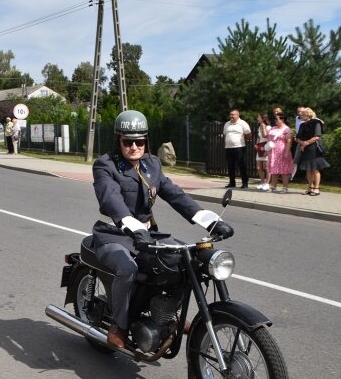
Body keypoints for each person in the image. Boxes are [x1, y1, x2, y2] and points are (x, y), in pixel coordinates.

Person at [92, 110, 234, 350]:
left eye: (140, 141)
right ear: (118, 140)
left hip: (146, 236)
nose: (134, 146)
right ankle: (119, 325)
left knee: (186, 261)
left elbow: (174, 194)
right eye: (128, 141)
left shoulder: (152, 164)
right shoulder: (105, 165)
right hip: (113, 235)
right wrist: (132, 226)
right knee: (127, 267)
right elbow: (110, 199)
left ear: (147, 140)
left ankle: (166, 313)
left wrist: (210, 220)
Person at [296, 107, 330, 196]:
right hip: (305, 148)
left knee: (315, 168)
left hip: (314, 148)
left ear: (308, 115)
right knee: (308, 169)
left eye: (303, 114)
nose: (301, 116)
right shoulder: (302, 125)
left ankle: (317, 188)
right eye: (301, 114)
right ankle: (310, 187)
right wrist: (302, 143)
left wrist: (306, 143)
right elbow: (297, 138)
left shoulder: (316, 123)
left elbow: (317, 136)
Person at [223, 109, 252, 188]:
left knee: (241, 164)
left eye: (233, 114)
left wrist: (241, 140)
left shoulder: (242, 123)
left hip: (239, 147)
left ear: (238, 115)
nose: (231, 116)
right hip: (228, 147)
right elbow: (226, 134)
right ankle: (232, 182)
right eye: (230, 114)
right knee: (230, 165)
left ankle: (245, 183)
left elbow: (249, 135)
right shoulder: (227, 124)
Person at [265, 113, 294, 193]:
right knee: (274, 169)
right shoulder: (272, 128)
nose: (275, 121)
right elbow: (268, 139)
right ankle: (273, 186)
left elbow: (289, 141)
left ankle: (285, 187)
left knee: (283, 170)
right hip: (273, 152)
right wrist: (267, 149)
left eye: (277, 119)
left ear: (282, 119)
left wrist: (287, 152)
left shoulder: (287, 129)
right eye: (275, 119)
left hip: (282, 151)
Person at [255, 114, 271, 191]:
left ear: (263, 118)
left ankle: (267, 183)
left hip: (266, 147)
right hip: (260, 147)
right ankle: (262, 182)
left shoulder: (268, 127)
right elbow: (259, 137)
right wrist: (256, 144)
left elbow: (266, 137)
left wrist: (263, 127)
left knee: (266, 167)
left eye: (259, 117)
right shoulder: (259, 127)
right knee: (259, 167)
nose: (257, 119)